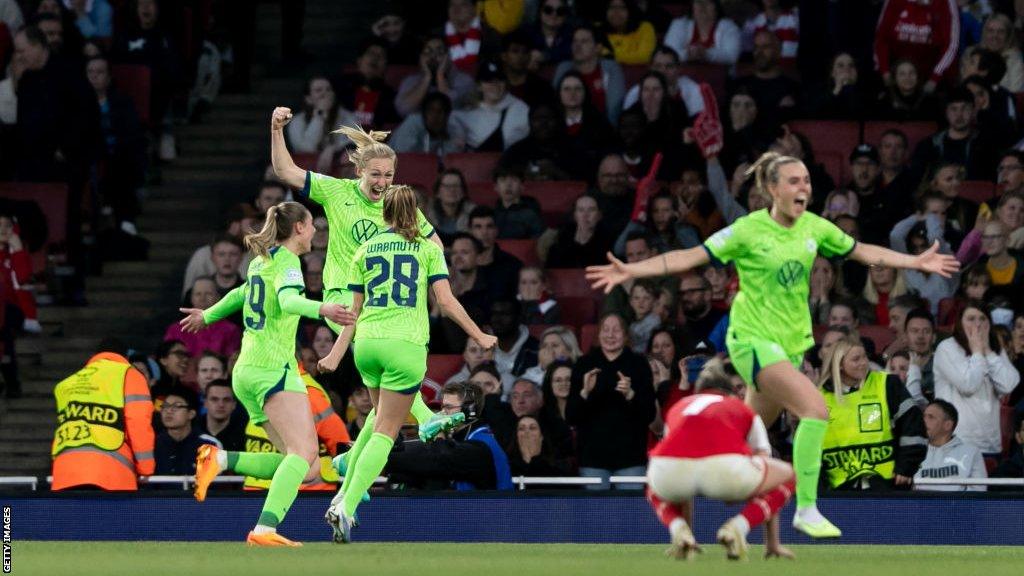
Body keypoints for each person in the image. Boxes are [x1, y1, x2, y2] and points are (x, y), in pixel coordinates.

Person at [587, 151, 960, 537]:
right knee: (815, 411)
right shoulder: (747, 230)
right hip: (751, 340)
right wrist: (633, 269)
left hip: (789, 347)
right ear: (771, 188)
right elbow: (690, 256)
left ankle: (692, 467)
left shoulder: (815, 226)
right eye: (794, 181)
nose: (805, 188)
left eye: (807, 181)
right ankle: (807, 508)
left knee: (750, 433)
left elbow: (863, 251)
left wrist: (915, 263)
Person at [318, 185, 496, 543]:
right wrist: (478, 335)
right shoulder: (428, 248)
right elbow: (445, 302)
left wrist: (338, 353)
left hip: (367, 345)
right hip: (405, 345)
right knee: (386, 430)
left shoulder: (364, 250)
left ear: (383, 214)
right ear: (415, 213)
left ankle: (344, 478)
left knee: (377, 417)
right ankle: (346, 505)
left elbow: (353, 313)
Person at [269, 112, 456, 446]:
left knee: (386, 388)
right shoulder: (335, 192)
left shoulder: (400, 204)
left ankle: (351, 459)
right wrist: (276, 130)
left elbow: (436, 245)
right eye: (376, 175)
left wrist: (428, 283)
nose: (382, 183)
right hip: (343, 296)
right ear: (359, 172)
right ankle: (427, 419)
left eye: (389, 175)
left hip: (384, 303)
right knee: (389, 370)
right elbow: (285, 171)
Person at [183, 201, 356, 546]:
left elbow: (240, 293)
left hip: (246, 371)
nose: (315, 232)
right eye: (311, 226)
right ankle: (264, 529)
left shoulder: (262, 262)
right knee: (304, 456)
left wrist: (207, 315)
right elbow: (290, 301)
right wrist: (324, 308)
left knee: (303, 469)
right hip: (273, 370)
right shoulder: (289, 261)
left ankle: (219, 458)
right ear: (299, 229)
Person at [646, 358, 795, 561]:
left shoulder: (679, 407)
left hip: (667, 469)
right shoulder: (742, 409)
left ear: (698, 391)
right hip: (726, 470)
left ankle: (680, 530)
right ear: (731, 393)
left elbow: (680, 468)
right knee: (787, 475)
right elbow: (764, 466)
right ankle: (738, 528)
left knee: (654, 485)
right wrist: (771, 542)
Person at [818, 338, 927, 491]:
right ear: (840, 365)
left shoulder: (887, 384)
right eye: (856, 359)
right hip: (839, 490)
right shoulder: (819, 396)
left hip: (888, 485)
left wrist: (906, 466)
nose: (863, 363)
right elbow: (810, 446)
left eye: (864, 357)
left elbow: (913, 425)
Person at [51, 339, 154, 491]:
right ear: (125, 357)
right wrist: (146, 469)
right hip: (111, 474)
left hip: (64, 475)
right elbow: (138, 423)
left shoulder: (67, 383)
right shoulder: (129, 375)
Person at [570, 313, 656, 489]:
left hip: (630, 459)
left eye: (616, 330)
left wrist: (631, 394)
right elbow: (571, 416)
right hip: (593, 459)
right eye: (606, 330)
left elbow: (649, 414)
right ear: (599, 334)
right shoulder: (584, 364)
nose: (610, 335)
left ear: (625, 336)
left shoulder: (638, 364)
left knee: (630, 514)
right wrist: (585, 392)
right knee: (595, 515)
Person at [933, 301, 1020, 455]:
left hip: (990, 444)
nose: (977, 324)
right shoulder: (947, 348)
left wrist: (987, 351)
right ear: (960, 322)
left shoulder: (994, 349)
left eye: (982, 318)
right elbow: (968, 385)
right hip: (956, 443)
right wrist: (978, 352)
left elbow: (1008, 385)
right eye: (971, 319)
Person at [913, 399, 988, 492]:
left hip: (957, 506)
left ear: (948, 425)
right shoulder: (912, 452)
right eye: (923, 416)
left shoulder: (971, 452)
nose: (923, 421)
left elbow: (978, 492)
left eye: (931, 417)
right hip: (918, 505)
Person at [154, 389, 217, 475]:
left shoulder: (209, 445)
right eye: (165, 406)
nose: (168, 411)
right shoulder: (153, 445)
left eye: (177, 406)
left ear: (191, 414)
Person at [199, 379, 247, 452]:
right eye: (214, 399)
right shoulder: (192, 429)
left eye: (226, 400)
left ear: (234, 404)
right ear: (205, 403)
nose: (221, 405)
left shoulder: (245, 433)